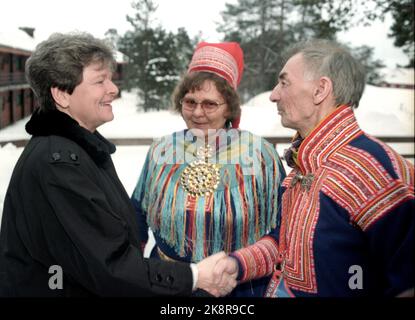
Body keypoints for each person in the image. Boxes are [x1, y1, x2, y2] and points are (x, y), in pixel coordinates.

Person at [0, 32, 237, 297]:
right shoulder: (58, 165)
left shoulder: (81, 149)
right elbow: (109, 269)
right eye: (100, 81)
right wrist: (194, 276)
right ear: (61, 95)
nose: (113, 89)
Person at [214, 39, 414, 297]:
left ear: (320, 90)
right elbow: (284, 243)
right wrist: (236, 265)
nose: (274, 94)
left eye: (284, 82)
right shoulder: (305, 165)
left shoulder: (374, 173)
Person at [131, 42, 286, 297]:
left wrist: (240, 264)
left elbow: (284, 225)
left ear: (230, 107)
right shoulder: (162, 150)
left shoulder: (260, 155)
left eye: (210, 104)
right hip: (168, 285)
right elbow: (137, 212)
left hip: (237, 288)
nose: (197, 112)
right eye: (189, 101)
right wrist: (132, 271)